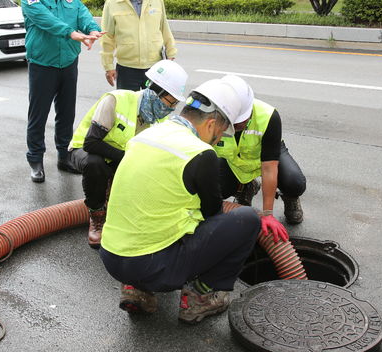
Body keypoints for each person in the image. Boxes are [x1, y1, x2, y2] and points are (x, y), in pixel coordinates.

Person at [99, 79, 261, 325]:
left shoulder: (147, 134)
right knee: (247, 220)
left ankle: (136, 289)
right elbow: (212, 213)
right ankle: (201, 296)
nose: (217, 141)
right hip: (151, 266)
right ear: (210, 124)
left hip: (111, 257)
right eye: (219, 135)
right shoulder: (198, 152)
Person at [67, 60, 188, 248]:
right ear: (157, 92)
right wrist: (129, 158)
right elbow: (91, 143)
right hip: (84, 151)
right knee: (96, 165)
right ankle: (97, 216)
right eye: (170, 102)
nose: (171, 108)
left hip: (116, 157)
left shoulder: (159, 118)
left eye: (175, 103)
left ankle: (119, 206)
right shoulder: (116, 100)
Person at [21, 0, 103, 183]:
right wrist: (73, 34)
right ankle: (35, 159)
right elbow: (46, 21)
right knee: (38, 114)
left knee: (66, 113)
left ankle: (63, 156)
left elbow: (84, 15)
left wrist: (92, 30)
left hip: (68, 62)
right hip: (42, 64)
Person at [215, 74, 307, 227]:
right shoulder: (212, 119)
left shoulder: (268, 116)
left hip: (267, 155)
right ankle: (245, 187)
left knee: (294, 182)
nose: (242, 124)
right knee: (216, 188)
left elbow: (269, 167)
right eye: (237, 122)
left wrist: (267, 214)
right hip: (234, 161)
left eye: (245, 119)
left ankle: (290, 198)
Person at [100, 0, 177, 91]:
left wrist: (171, 53)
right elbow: (107, 38)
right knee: (128, 109)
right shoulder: (112, 4)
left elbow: (164, 28)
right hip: (127, 68)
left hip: (155, 67)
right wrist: (108, 66)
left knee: (154, 109)